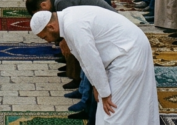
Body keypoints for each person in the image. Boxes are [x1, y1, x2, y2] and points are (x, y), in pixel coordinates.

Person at [31, 8, 159, 124]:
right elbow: (84, 60)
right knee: (109, 109)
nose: (48, 41)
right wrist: (96, 86)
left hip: (129, 51)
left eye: (45, 37)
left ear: (51, 27)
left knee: (114, 110)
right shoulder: (67, 19)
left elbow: (91, 60)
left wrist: (104, 93)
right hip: (122, 51)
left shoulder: (72, 26)